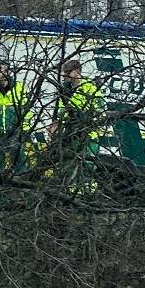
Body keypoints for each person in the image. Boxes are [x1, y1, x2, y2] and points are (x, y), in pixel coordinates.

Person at [48, 59, 102, 194]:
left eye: (67, 73)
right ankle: (71, 194)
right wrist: (55, 125)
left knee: (87, 167)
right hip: (69, 134)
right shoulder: (65, 89)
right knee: (68, 165)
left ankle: (86, 195)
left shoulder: (89, 88)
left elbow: (100, 111)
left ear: (77, 72)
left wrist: (87, 121)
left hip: (87, 136)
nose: (65, 76)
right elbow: (61, 112)